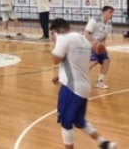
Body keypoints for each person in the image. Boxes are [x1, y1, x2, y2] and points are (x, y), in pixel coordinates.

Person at [50, 18, 118, 149]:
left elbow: (55, 59)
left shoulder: (64, 38)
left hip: (71, 87)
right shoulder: (84, 41)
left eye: (52, 34)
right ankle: (104, 142)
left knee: (66, 122)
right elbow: (77, 64)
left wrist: (56, 41)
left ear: (56, 31)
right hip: (84, 87)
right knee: (79, 121)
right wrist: (60, 75)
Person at [85, 6, 115, 89]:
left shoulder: (109, 25)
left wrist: (103, 47)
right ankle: (80, 78)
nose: (112, 14)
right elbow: (86, 33)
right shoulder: (94, 20)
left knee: (107, 60)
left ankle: (100, 81)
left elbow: (103, 38)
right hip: (88, 43)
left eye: (113, 12)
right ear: (104, 12)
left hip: (98, 45)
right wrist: (92, 43)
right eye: (110, 12)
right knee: (94, 62)